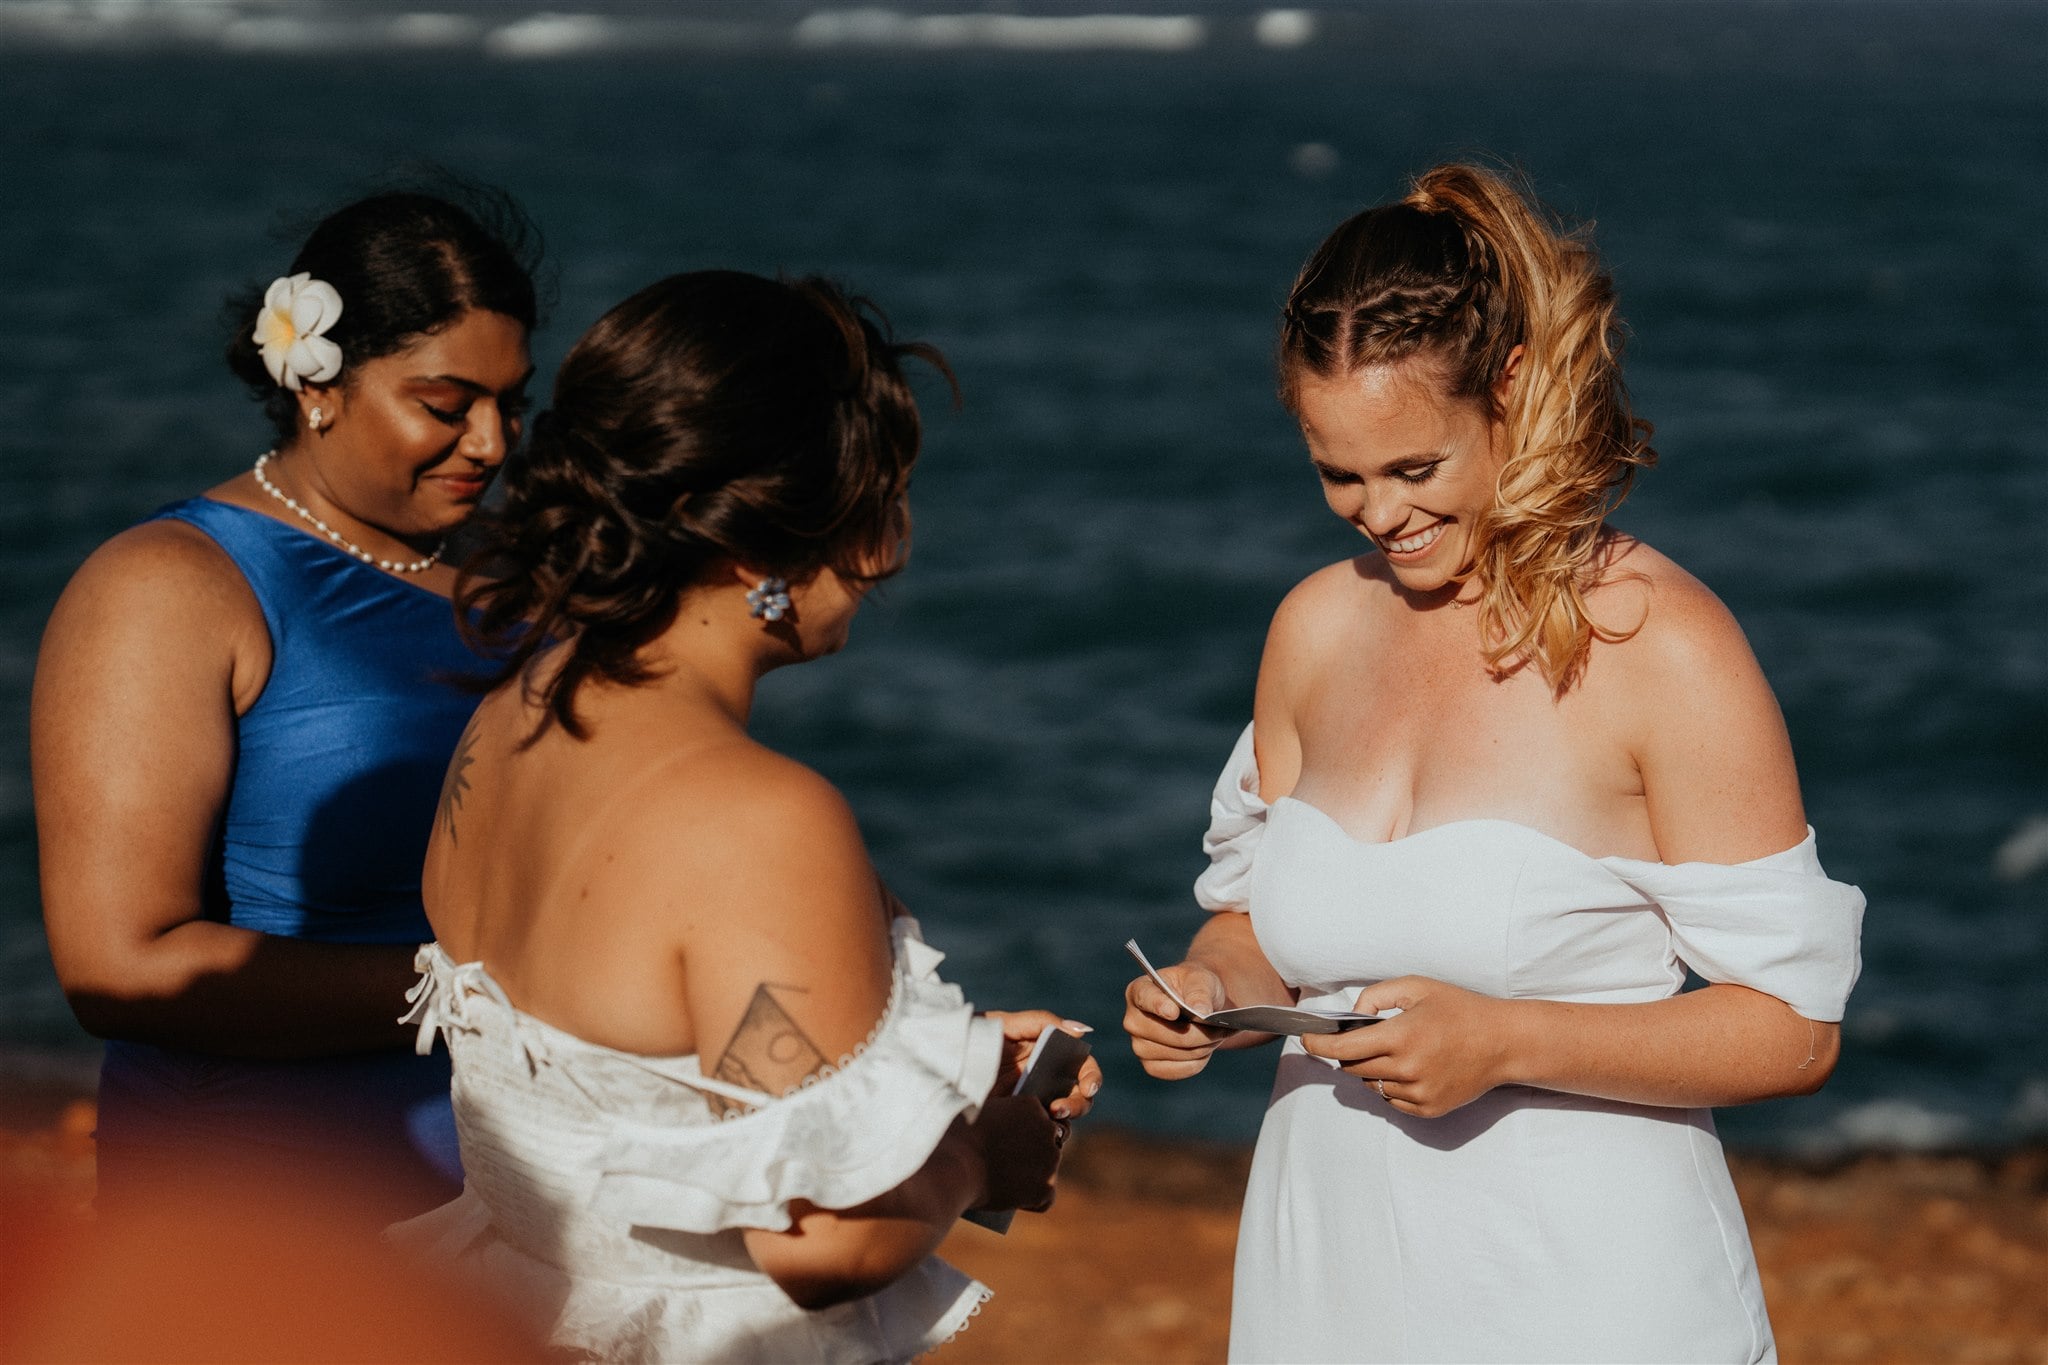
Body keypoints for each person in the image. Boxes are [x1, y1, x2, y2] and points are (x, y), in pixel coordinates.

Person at [1121, 164, 1865, 1364]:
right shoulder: (1313, 627)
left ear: (1511, 392)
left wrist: (1506, 1040)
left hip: (1583, 1297)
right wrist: (1208, 992)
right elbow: (1254, 919)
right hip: (1320, 1276)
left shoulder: (1659, 643)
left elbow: (1792, 1030)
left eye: (1413, 470)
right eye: (1338, 475)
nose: (1377, 516)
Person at [389, 270, 1100, 1364]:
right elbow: (820, 1240)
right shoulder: (757, 817)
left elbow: (662, 1055)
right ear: (761, 546)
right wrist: (978, 1149)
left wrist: (929, 1064)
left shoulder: (507, 719)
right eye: (878, 501)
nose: (888, 551)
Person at [32, 188, 540, 1223]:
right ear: (321, 387)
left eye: (511, 401)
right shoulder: (171, 586)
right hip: (271, 1204)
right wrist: (486, 995)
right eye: (447, 406)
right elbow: (117, 965)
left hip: (527, 1189)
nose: (492, 442)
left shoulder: (522, 575)